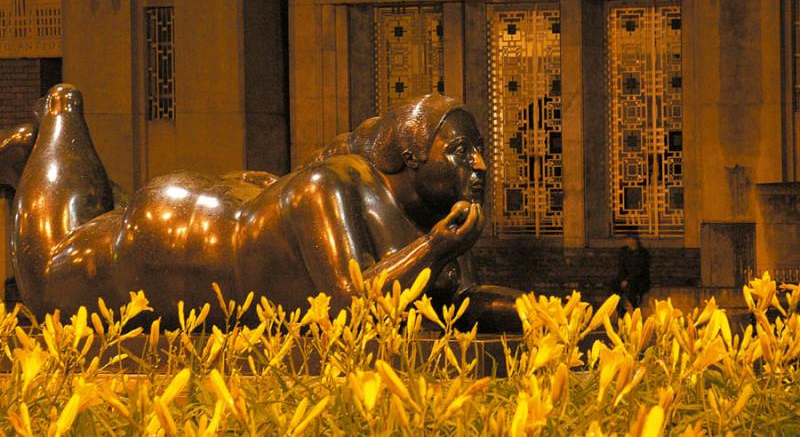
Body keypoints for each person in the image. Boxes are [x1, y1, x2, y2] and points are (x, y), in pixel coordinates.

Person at [9, 84, 520, 331]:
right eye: (459, 151)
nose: (478, 164)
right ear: (411, 157)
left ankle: (57, 159)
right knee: (47, 270)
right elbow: (352, 306)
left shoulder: (439, 217)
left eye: (478, 150)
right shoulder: (331, 186)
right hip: (170, 244)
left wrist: (536, 315)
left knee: (94, 215)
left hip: (225, 211)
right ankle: (54, 120)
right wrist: (434, 249)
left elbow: (457, 302)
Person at [610, 235, 651, 316]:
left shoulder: (642, 253)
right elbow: (621, 267)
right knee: (613, 287)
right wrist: (622, 279)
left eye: (631, 239)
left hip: (639, 280)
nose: (629, 241)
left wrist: (627, 280)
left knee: (631, 290)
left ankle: (636, 310)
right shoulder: (624, 252)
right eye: (627, 239)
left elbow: (640, 270)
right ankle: (621, 311)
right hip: (625, 278)